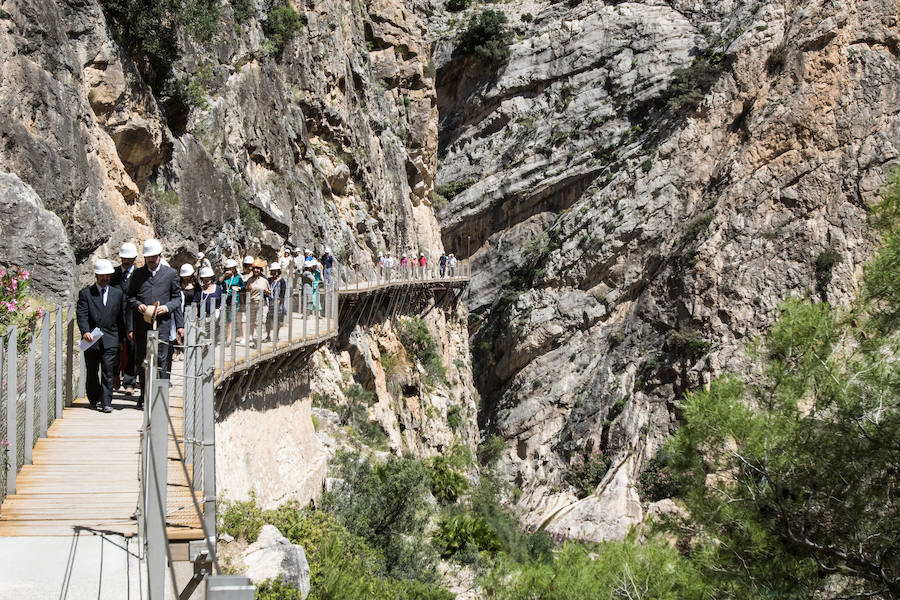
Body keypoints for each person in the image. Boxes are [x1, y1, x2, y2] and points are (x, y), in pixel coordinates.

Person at [125, 239, 183, 407]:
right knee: (143, 361)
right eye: (148, 258)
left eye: (153, 257)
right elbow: (130, 297)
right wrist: (139, 306)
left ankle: (161, 397)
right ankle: (144, 396)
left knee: (161, 360)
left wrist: (166, 308)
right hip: (142, 325)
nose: (150, 261)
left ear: (160, 256)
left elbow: (177, 299)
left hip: (162, 325)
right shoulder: (137, 274)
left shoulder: (170, 274)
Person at [77, 259, 126, 413]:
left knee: (107, 371)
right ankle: (93, 399)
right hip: (91, 339)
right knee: (92, 371)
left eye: (108, 276)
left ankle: (106, 402)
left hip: (110, 338)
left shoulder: (117, 294)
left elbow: (121, 317)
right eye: (102, 276)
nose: (105, 279)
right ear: (96, 275)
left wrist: (122, 338)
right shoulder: (86, 293)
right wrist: (85, 331)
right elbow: (82, 314)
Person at [111, 242, 138, 395]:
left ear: (134, 258)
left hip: (132, 317)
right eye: (124, 259)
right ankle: (115, 373)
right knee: (114, 347)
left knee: (132, 348)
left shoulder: (139, 275)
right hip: (114, 318)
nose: (126, 262)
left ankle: (129, 381)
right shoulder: (112, 274)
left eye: (129, 259)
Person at [245, 258, 271, 346]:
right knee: (252, 322)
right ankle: (255, 339)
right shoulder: (249, 280)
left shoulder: (264, 281)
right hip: (252, 303)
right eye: (255, 268)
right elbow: (247, 291)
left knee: (259, 322)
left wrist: (265, 291)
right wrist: (248, 289)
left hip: (262, 303)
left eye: (258, 268)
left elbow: (269, 292)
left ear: (260, 270)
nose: (256, 270)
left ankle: (257, 340)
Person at [220, 258, 244, 342]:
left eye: (232, 268)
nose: (230, 270)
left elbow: (243, 286)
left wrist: (239, 288)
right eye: (229, 268)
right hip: (224, 300)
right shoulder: (224, 277)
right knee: (224, 319)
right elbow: (218, 283)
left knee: (230, 319)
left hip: (234, 300)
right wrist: (224, 276)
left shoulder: (238, 277)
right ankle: (226, 335)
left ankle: (229, 337)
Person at [265, 262, 286, 342]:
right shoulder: (269, 280)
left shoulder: (282, 281)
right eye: (272, 271)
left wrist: (279, 301)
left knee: (278, 321)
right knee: (268, 320)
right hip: (269, 302)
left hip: (278, 303)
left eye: (275, 271)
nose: (273, 273)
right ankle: (268, 335)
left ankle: (276, 336)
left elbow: (283, 293)